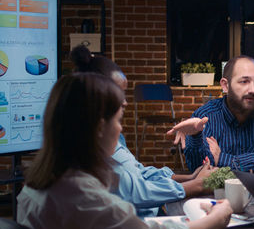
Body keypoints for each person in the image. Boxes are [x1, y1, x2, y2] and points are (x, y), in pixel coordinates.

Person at [17, 73, 233, 229]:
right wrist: (216, 219)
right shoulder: (81, 195)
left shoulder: (39, 186)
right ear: (100, 127)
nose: (120, 129)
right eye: (118, 120)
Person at [70, 45, 212, 218]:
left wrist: (189, 178)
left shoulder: (111, 137)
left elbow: (138, 173)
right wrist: (197, 184)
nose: (125, 103)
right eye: (118, 95)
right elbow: (136, 192)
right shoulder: (90, 154)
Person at [168, 55, 254, 172]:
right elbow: (199, 168)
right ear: (225, 85)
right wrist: (195, 137)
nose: (253, 90)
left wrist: (222, 159)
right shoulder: (205, 115)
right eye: (244, 81)